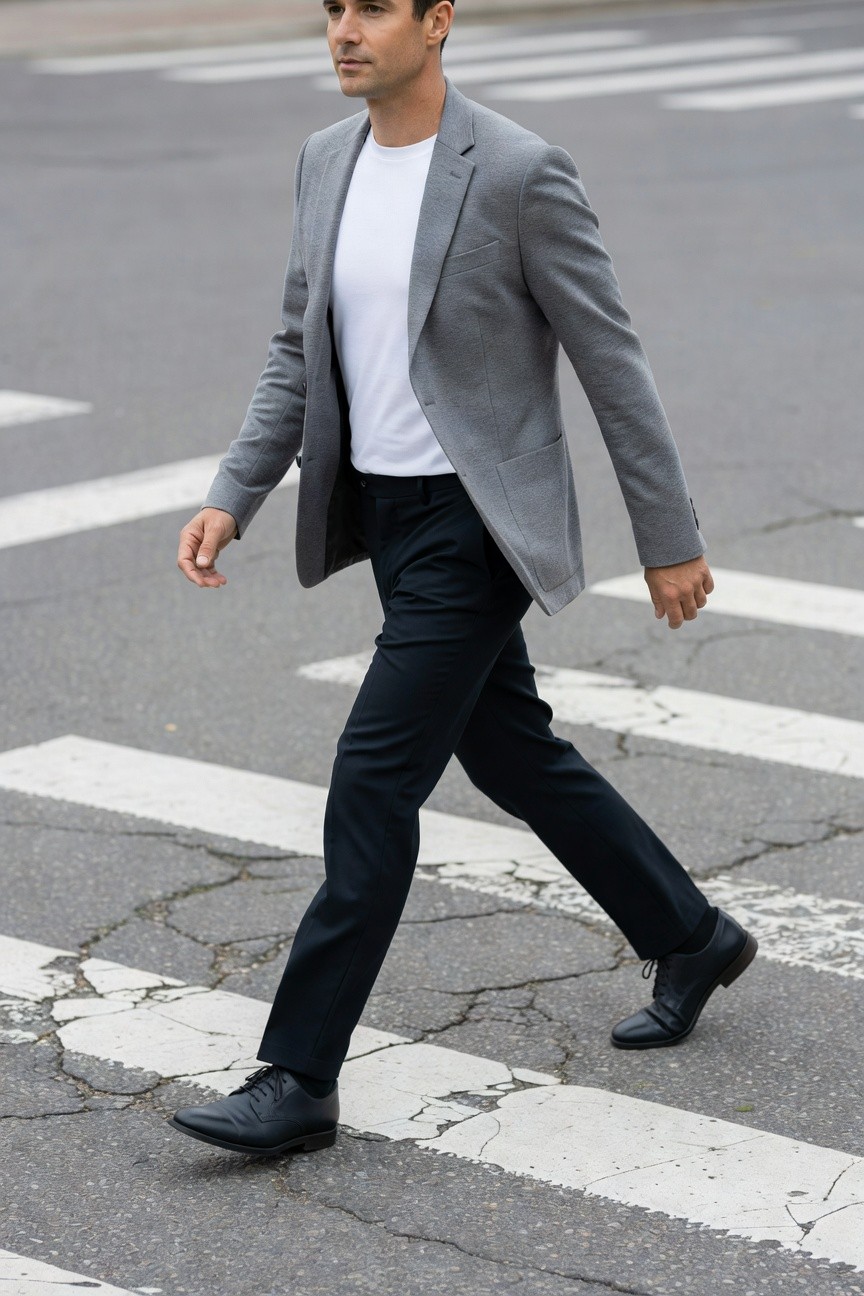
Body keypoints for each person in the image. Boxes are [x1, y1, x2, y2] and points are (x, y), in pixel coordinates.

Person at [171, 0, 757, 1157]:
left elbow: (610, 357)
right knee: (510, 751)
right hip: (388, 518)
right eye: (332, 9)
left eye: (373, 8)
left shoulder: (519, 172)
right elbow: (297, 348)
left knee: (372, 781)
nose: (345, 30)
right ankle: (691, 936)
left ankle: (299, 1076)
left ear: (438, 20)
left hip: (476, 526)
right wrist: (235, 491)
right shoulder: (325, 160)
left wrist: (668, 537)